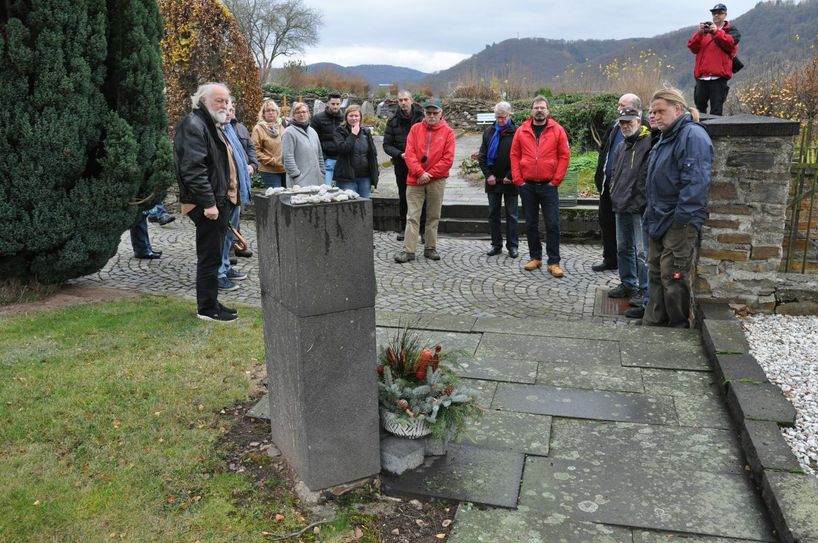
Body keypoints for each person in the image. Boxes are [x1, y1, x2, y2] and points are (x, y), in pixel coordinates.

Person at [643, 87, 713, 327]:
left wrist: (681, 220)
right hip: (658, 217)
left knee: (673, 276)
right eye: (652, 111)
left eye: (660, 111)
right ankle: (654, 323)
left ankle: (677, 329)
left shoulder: (692, 136)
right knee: (655, 272)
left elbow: (695, 183)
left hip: (678, 221)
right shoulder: (665, 136)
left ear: (678, 109)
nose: (654, 116)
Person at [174, 82, 238, 322]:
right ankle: (207, 309)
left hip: (218, 201)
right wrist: (209, 204)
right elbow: (193, 170)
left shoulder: (211, 124)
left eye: (226, 100)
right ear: (203, 101)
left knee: (213, 255)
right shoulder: (194, 124)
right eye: (218, 100)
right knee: (210, 258)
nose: (224, 104)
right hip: (208, 204)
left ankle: (212, 302)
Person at [511, 95, 570, 278]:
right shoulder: (522, 131)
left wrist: (556, 180)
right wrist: (518, 180)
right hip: (527, 185)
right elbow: (514, 155)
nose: (539, 110)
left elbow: (564, 156)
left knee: (552, 224)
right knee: (531, 224)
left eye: (542, 108)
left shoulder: (557, 130)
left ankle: (554, 262)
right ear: (531, 111)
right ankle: (535, 257)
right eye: (536, 107)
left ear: (548, 111)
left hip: (549, 186)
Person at [394, 99, 455, 264]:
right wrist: (420, 173)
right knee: (412, 216)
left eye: (435, 113)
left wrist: (430, 174)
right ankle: (409, 250)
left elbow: (447, 159)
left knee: (433, 215)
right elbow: (410, 153)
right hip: (415, 179)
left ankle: (430, 247)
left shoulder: (448, 132)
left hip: (436, 180)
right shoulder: (415, 129)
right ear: (424, 114)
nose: (432, 116)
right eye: (429, 113)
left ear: (441, 113)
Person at [592, 93, 643, 272]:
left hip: (628, 189)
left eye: (622, 105)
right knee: (606, 223)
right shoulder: (615, 126)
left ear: (635, 108)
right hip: (608, 185)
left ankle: (633, 267)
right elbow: (604, 150)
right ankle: (610, 259)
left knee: (629, 232)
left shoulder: (643, 129)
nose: (618, 108)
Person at [607, 106, 652, 306]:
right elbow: (615, 171)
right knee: (623, 247)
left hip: (639, 206)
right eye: (623, 122)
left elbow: (647, 176)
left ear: (638, 120)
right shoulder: (621, 145)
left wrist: (642, 199)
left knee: (643, 252)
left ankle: (644, 290)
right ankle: (628, 283)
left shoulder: (649, 142)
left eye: (629, 121)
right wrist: (613, 190)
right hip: (621, 203)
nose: (625, 125)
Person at [217, 101, 258, 292]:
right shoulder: (216, 131)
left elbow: (243, 157)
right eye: (225, 109)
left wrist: (252, 166)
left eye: (231, 109)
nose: (229, 112)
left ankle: (225, 267)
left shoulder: (233, 129)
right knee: (220, 236)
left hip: (237, 192)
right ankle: (218, 273)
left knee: (228, 236)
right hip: (225, 193)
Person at [383, 90, 426, 241]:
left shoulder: (422, 118)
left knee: (422, 196)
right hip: (401, 164)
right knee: (403, 195)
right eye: (400, 100)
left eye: (405, 99)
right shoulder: (393, 121)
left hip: (420, 164)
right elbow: (387, 145)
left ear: (411, 100)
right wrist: (400, 154)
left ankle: (423, 230)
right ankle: (403, 228)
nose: (403, 103)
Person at [478, 101, 519, 258]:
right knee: (493, 214)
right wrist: (488, 175)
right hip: (493, 181)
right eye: (497, 117)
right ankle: (496, 245)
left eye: (503, 117)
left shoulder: (517, 132)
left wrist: (511, 175)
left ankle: (513, 246)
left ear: (509, 115)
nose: (500, 120)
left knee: (512, 215)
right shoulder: (489, 132)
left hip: (511, 180)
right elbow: (482, 157)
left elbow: (520, 157)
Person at [687, 3, 740, 116]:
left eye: (719, 13)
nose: (716, 16)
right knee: (699, 110)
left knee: (716, 111)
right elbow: (693, 47)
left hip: (719, 78)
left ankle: (715, 134)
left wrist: (716, 31)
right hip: (702, 77)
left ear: (725, 15)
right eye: (714, 14)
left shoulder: (732, 31)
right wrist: (700, 33)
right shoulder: (704, 33)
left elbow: (729, 43)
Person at [332, 104, 379, 198]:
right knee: (350, 207)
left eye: (356, 116)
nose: (354, 118)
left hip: (365, 177)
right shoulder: (339, 131)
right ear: (346, 117)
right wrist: (353, 135)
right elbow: (343, 149)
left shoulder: (366, 132)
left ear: (360, 117)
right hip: (347, 178)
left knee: (365, 206)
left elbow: (372, 154)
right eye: (351, 116)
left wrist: (375, 173)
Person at [281, 102, 325, 187]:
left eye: (304, 112)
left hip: (317, 181)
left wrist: (322, 172)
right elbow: (287, 157)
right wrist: (296, 176)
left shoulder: (313, 131)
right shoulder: (289, 132)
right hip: (299, 183)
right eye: (298, 112)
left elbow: (320, 155)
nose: (301, 114)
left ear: (308, 114)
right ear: (293, 115)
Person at [252, 98, 287, 189]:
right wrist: (273, 161)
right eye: (268, 111)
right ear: (263, 113)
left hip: (286, 169)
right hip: (270, 171)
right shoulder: (258, 128)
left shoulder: (282, 125)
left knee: (288, 197)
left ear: (277, 112)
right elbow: (255, 151)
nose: (271, 113)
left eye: (273, 110)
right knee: (276, 199)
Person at [310, 91, 343, 186]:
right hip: (325, 160)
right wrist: (323, 158)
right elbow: (314, 140)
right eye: (333, 104)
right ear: (328, 103)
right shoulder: (318, 118)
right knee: (326, 189)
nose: (335, 106)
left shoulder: (344, 118)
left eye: (338, 104)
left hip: (341, 160)